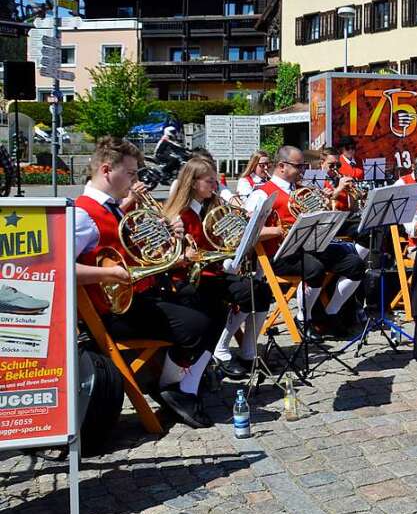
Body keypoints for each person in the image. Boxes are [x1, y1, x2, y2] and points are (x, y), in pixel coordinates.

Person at [75, 138, 224, 428]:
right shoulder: (82, 215)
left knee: (213, 306)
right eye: (130, 174)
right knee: (198, 324)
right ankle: (173, 387)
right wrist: (110, 274)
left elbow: (134, 253)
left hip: (137, 296)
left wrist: (169, 243)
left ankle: (178, 385)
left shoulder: (113, 208)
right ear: (107, 170)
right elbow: (59, 269)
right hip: (112, 311)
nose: (135, 181)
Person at [164, 158, 272, 380]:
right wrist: (184, 253)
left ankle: (248, 352)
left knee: (260, 291)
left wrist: (246, 225)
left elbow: (225, 239)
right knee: (235, 296)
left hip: (214, 272)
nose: (215, 186)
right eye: (210, 181)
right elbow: (170, 254)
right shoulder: (180, 215)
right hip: (191, 278)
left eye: (215, 181)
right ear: (193, 183)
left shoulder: (211, 207)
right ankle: (220, 352)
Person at [245, 146, 367, 326]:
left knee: (355, 264)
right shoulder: (261, 194)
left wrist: (324, 206)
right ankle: (304, 318)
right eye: (298, 166)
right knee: (314, 269)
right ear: (281, 166)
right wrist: (279, 230)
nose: (302, 171)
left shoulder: (302, 189)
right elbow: (249, 233)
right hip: (280, 254)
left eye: (303, 166)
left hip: (309, 246)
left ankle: (331, 312)